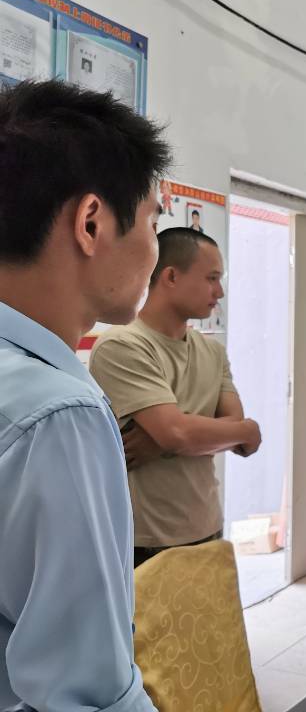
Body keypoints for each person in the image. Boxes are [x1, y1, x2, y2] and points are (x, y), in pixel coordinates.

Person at [0, 79, 169, 710]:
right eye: (153, 218)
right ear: (91, 222)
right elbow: (86, 695)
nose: (155, 246)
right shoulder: (57, 414)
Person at [89, 227, 261, 566]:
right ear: (170, 276)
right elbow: (180, 432)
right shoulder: (122, 345)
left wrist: (169, 440)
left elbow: (239, 433)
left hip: (206, 527)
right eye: (212, 278)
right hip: (144, 540)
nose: (220, 292)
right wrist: (234, 431)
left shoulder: (212, 352)